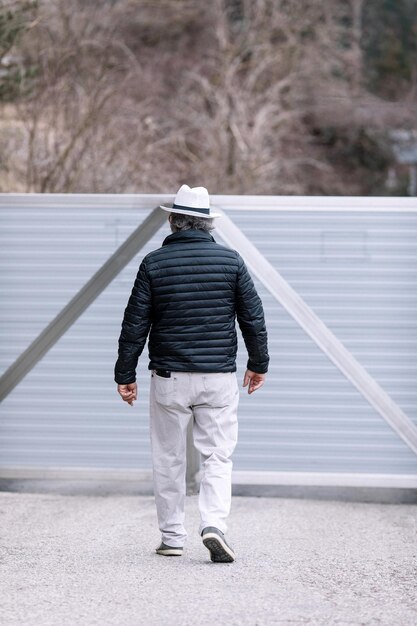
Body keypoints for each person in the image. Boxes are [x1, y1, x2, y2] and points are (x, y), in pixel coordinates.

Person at [114, 184, 269, 563]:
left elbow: (135, 324)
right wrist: (258, 363)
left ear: (173, 222)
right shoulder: (231, 262)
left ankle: (172, 538)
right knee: (217, 455)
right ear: (208, 225)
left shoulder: (153, 264)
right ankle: (214, 524)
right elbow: (253, 317)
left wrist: (125, 373)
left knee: (168, 458)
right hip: (218, 377)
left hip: (169, 378)